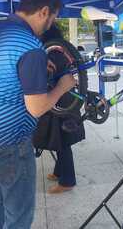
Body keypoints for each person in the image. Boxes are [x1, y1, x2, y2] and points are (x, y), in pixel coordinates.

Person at [0, 0, 76, 229]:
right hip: (10, 144)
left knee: (0, 198)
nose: (50, 24)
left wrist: (37, 70)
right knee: (19, 216)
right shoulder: (30, 45)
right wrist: (62, 86)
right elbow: (37, 107)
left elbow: (1, 71)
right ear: (43, 12)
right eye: (52, 18)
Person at [35, 24, 85, 194]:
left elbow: (49, 75)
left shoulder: (53, 52)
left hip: (60, 101)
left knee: (62, 141)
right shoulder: (62, 49)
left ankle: (67, 181)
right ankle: (58, 172)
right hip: (65, 99)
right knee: (60, 139)